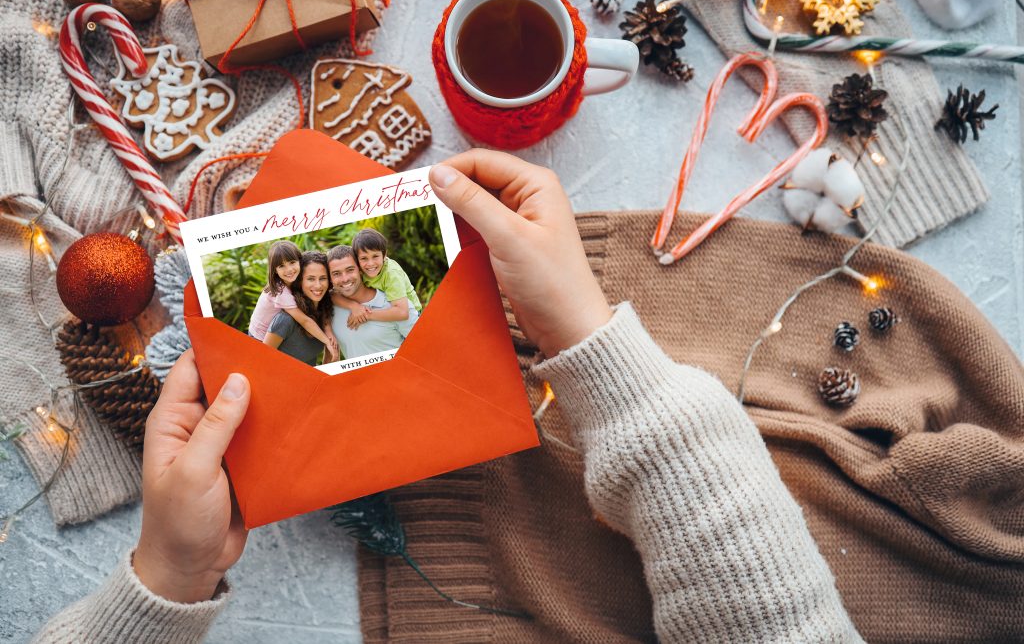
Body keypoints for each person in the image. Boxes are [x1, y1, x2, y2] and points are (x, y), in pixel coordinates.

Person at [32, 150, 861, 643]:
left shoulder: (381, 274)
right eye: (307, 268)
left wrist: (168, 577)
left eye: (321, 267)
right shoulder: (279, 300)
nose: (319, 274)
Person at [247, 241, 338, 358]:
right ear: (275, 270)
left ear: (300, 261)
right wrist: (327, 341)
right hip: (258, 338)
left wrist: (328, 328)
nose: (289, 269)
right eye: (281, 266)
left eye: (292, 262)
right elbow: (305, 320)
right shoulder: (280, 292)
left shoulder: (293, 282)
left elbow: (325, 303)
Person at [327, 245, 414, 360]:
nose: (345, 279)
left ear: (361, 270)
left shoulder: (394, 305)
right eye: (336, 274)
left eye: (350, 270)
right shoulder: (330, 307)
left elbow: (424, 345)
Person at [338, 227, 421, 330]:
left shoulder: (391, 273)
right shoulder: (358, 270)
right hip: (385, 309)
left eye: (375, 256)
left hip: (412, 316)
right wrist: (354, 307)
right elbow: (333, 294)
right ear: (357, 260)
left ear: (384, 255)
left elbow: (402, 312)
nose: (370, 263)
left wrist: (365, 315)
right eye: (364, 258)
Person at [263, 251, 336, 367]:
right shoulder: (285, 320)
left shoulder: (324, 315)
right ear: (300, 281)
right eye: (311, 279)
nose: (318, 285)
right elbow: (260, 360)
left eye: (323, 278)